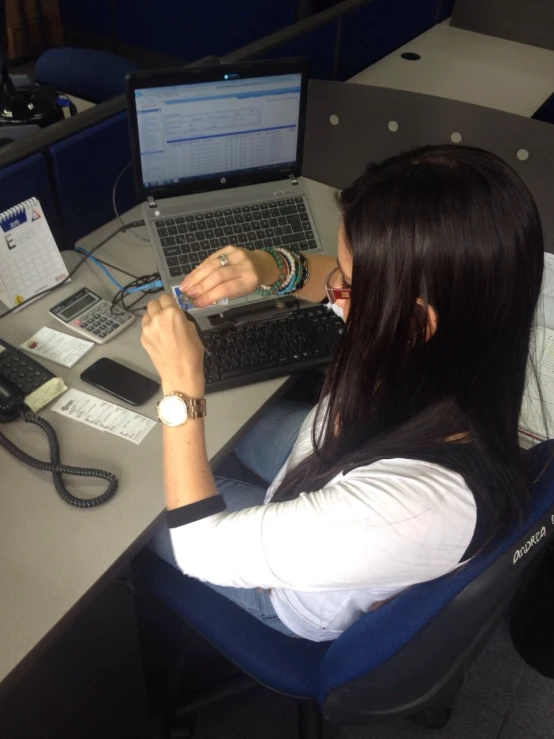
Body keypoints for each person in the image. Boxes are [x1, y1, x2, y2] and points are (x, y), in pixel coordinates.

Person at [141, 144, 544, 642]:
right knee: (214, 428)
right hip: (327, 453)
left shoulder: (412, 508)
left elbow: (200, 549)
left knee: (135, 515)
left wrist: (181, 389)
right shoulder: (462, 345)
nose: (332, 285)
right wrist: (272, 268)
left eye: (348, 283)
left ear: (415, 320)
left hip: (288, 597)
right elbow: (368, 287)